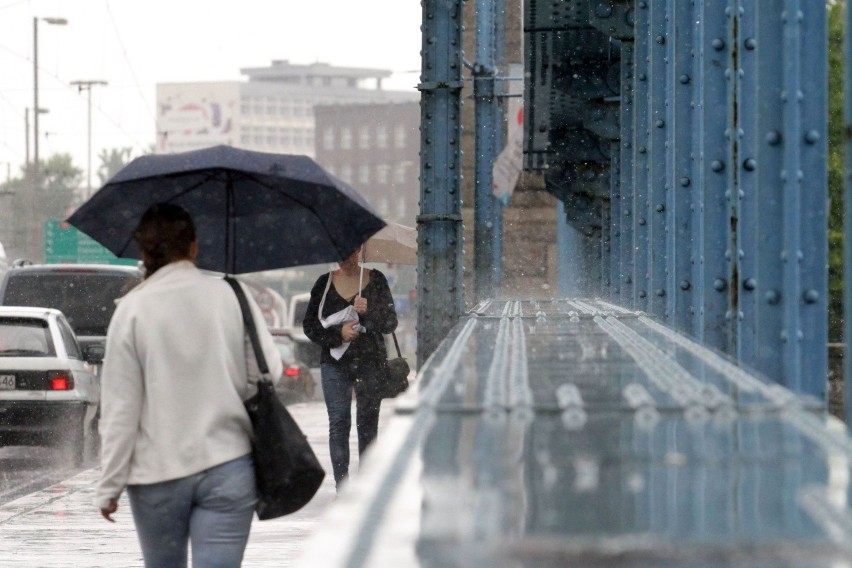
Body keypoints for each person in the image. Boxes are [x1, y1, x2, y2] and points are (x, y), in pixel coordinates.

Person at [95, 203, 283, 568]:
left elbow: (121, 411)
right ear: (194, 247)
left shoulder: (132, 310)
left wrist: (110, 485)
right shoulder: (231, 296)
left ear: (144, 252)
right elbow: (267, 374)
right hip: (228, 466)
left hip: (157, 474)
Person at [303, 245, 397, 492]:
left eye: (352, 251)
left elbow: (390, 323)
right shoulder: (323, 284)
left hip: (370, 362)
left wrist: (368, 313)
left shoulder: (376, 280)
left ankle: (366, 487)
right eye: (341, 252)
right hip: (334, 363)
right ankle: (342, 487)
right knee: (339, 422)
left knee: (367, 422)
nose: (347, 257)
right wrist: (338, 334)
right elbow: (310, 326)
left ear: (360, 251)